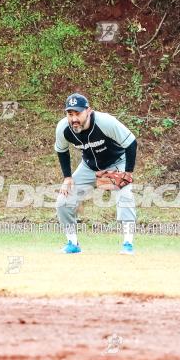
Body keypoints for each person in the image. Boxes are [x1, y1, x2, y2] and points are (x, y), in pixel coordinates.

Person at [55, 93, 138, 254]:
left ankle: (128, 244)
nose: (74, 119)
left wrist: (127, 172)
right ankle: (73, 244)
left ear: (89, 111)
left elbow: (131, 143)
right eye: (70, 114)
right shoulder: (63, 128)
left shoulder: (104, 122)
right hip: (89, 167)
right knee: (63, 200)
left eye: (78, 113)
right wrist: (67, 177)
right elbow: (61, 150)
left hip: (116, 164)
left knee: (125, 197)